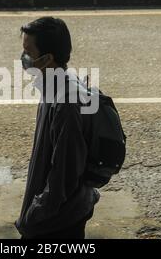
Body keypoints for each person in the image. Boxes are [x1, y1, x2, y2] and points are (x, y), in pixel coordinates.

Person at [14, 16, 100, 239]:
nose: (23, 58)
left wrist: (34, 216)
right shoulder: (55, 84)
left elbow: (64, 172)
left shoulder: (66, 103)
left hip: (57, 223)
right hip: (57, 215)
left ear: (47, 58)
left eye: (28, 52)